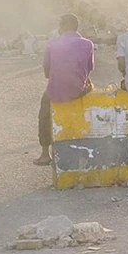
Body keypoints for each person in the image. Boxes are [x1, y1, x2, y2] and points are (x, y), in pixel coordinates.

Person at [35, 14, 94, 166]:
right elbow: (89, 69)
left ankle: (44, 153)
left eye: (60, 26)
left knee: (44, 114)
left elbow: (47, 73)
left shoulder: (52, 44)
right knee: (91, 86)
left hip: (56, 92)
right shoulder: (88, 44)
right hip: (78, 91)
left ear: (65, 27)